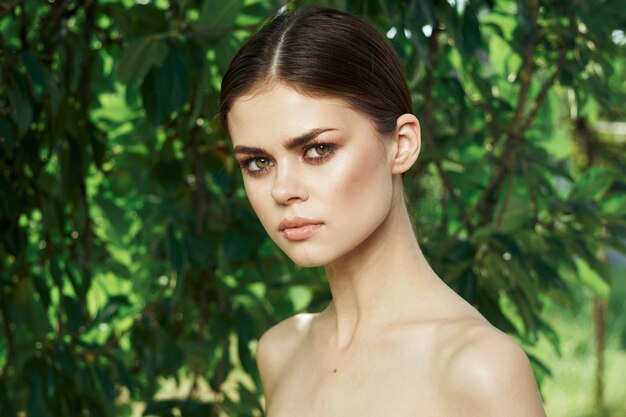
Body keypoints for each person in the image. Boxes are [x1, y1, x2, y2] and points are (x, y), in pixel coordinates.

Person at [218, 6, 546, 417]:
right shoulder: (280, 351)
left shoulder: (478, 368)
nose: (283, 190)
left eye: (318, 150)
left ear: (402, 144)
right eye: (258, 163)